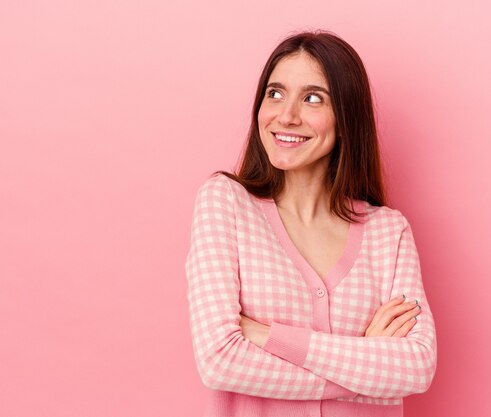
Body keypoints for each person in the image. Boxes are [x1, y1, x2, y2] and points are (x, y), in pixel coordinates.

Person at [184, 29, 437, 417]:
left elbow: (416, 366)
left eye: (313, 98)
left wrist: (269, 335)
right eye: (275, 93)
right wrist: (366, 371)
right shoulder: (226, 203)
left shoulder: (388, 231)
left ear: (346, 117)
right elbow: (219, 359)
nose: (286, 115)